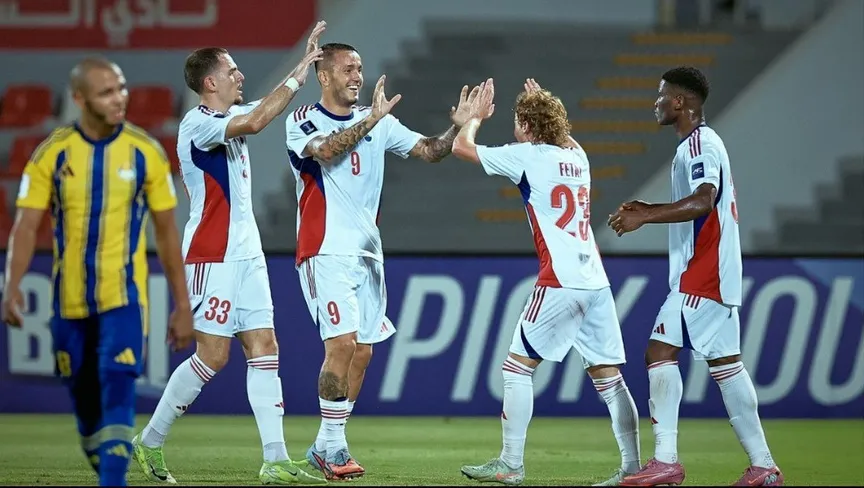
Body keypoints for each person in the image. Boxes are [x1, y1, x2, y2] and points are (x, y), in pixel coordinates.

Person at [130, 22, 328, 486]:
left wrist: (302, 69)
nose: (241, 76)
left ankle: (275, 460)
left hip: (247, 254)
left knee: (265, 347)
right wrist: (296, 79)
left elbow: (265, 107)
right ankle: (150, 440)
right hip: (211, 255)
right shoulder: (198, 124)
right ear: (210, 82)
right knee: (213, 356)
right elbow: (257, 121)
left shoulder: (230, 115)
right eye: (232, 70)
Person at [284, 42, 474, 480]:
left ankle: (323, 445)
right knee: (342, 344)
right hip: (325, 248)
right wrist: (371, 119)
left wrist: (457, 128)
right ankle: (334, 449)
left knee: (363, 352)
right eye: (348, 69)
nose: (357, 76)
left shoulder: (379, 122)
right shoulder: (303, 119)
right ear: (324, 76)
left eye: (360, 68)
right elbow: (326, 150)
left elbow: (429, 150)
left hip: (369, 253)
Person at [1, 57, 194, 487]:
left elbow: (166, 233)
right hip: (68, 304)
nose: (119, 97)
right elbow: (26, 226)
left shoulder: (146, 152)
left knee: (118, 383)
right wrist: (11, 286)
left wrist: (183, 305)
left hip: (124, 299)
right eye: (106, 92)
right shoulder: (52, 153)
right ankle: (99, 449)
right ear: (79, 99)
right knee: (88, 410)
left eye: (121, 88)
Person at [452, 78, 642, 486]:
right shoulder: (579, 157)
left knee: (516, 368)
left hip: (559, 281)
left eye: (517, 119)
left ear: (525, 124)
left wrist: (474, 119)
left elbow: (461, 148)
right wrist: (544, 106)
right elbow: (564, 138)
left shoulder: (527, 155)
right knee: (610, 380)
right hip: (595, 282)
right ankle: (632, 469)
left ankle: (510, 464)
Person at [608, 66, 784, 487]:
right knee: (727, 367)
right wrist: (647, 207)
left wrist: (646, 216)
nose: (656, 103)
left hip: (703, 273)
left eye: (661, 96)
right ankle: (764, 466)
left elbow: (705, 200)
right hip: (714, 273)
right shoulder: (696, 144)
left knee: (659, 352)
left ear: (680, 101)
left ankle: (666, 460)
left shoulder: (701, 143)